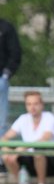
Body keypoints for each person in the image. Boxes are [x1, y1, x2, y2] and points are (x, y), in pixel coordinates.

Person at [1, 91, 54, 184]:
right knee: (5, 154)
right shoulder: (23, 118)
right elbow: (5, 137)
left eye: (35, 104)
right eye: (29, 104)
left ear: (42, 105)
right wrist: (6, 148)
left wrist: (22, 148)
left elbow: (45, 138)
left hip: (49, 162)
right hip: (29, 160)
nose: (32, 107)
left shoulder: (49, 117)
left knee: (38, 152)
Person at [0, 18, 22, 174]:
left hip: (0, 79)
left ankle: (1, 159)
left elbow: (15, 53)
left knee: (0, 123)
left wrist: (6, 75)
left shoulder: (6, 27)